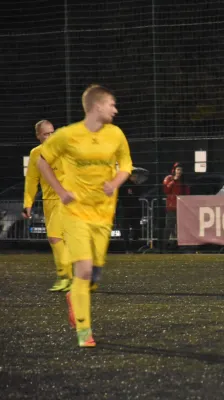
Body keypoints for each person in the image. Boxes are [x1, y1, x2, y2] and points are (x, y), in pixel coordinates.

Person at [37, 84, 132, 347]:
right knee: (84, 269)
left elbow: (126, 164)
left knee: (92, 279)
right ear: (97, 106)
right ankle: (84, 331)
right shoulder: (68, 135)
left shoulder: (116, 134)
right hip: (75, 213)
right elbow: (41, 161)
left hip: (103, 216)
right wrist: (61, 190)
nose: (115, 109)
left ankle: (75, 297)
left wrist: (115, 183)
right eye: (112, 104)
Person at [22, 120, 72, 291]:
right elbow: (31, 181)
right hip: (48, 202)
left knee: (54, 236)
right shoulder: (36, 154)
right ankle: (71, 276)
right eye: (46, 134)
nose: (50, 136)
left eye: (52, 132)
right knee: (60, 239)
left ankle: (65, 276)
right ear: (38, 136)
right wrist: (27, 203)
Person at [161, 162, 190, 252]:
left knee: (180, 227)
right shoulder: (169, 178)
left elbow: (187, 192)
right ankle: (164, 245)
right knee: (169, 226)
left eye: (181, 170)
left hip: (181, 207)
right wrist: (174, 181)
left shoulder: (183, 181)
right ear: (174, 170)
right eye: (178, 169)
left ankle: (179, 245)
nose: (179, 172)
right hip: (172, 207)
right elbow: (166, 190)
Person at [119, 168, 145, 253]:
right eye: (134, 175)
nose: (136, 177)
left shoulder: (136, 185)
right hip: (125, 210)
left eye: (136, 176)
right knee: (125, 230)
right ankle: (127, 248)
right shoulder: (123, 184)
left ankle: (133, 247)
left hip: (134, 210)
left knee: (136, 229)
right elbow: (122, 196)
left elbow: (139, 195)